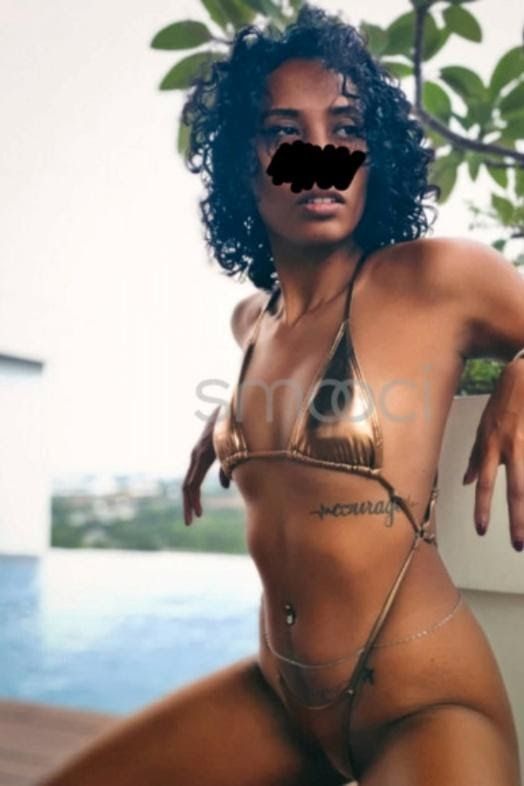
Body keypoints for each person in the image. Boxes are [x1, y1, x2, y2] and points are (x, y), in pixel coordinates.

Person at [40, 5, 524, 785]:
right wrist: (233, 420)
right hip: (281, 699)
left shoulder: (433, 280)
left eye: (346, 129)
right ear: (245, 163)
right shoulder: (250, 325)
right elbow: (307, 407)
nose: (319, 157)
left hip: (422, 702)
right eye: (282, 133)